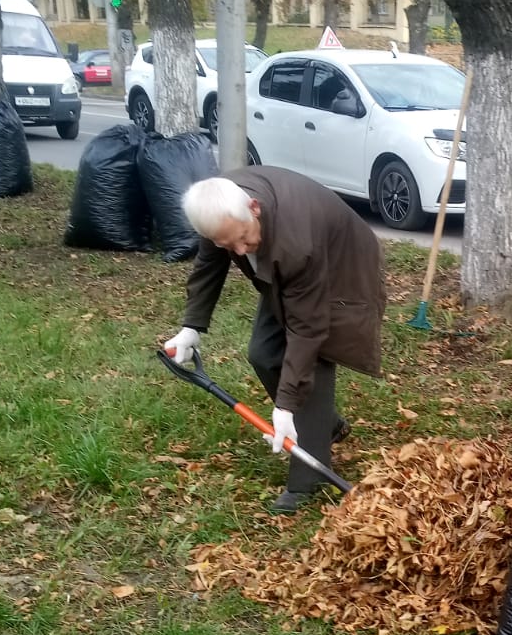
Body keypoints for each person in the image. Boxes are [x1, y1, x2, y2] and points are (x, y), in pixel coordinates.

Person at [161, 168, 385, 514]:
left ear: (255, 208)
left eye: (242, 239)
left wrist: (285, 406)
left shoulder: (296, 245)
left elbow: (306, 331)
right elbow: (208, 264)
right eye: (228, 244)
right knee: (264, 353)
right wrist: (192, 327)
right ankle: (325, 424)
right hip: (289, 268)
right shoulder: (219, 212)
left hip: (342, 263)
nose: (239, 250)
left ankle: (308, 479)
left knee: (315, 356)